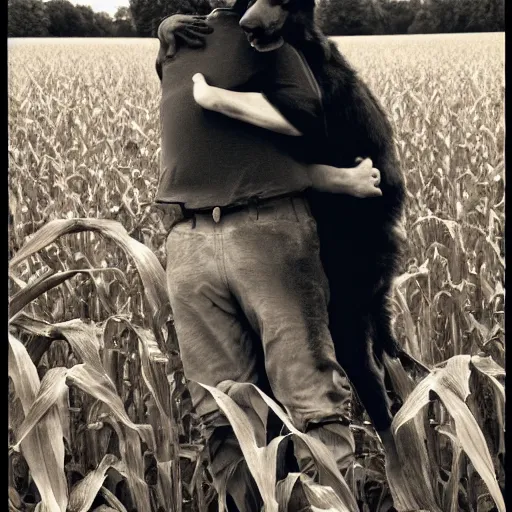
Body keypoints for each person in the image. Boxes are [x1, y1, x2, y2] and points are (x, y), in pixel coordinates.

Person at [155, 4, 381, 510]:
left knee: (310, 400)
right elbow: (204, 136)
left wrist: (219, 99)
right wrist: (165, 32)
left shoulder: (270, 38)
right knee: (222, 413)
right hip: (188, 240)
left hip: (269, 230)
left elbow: (308, 116)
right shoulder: (182, 37)